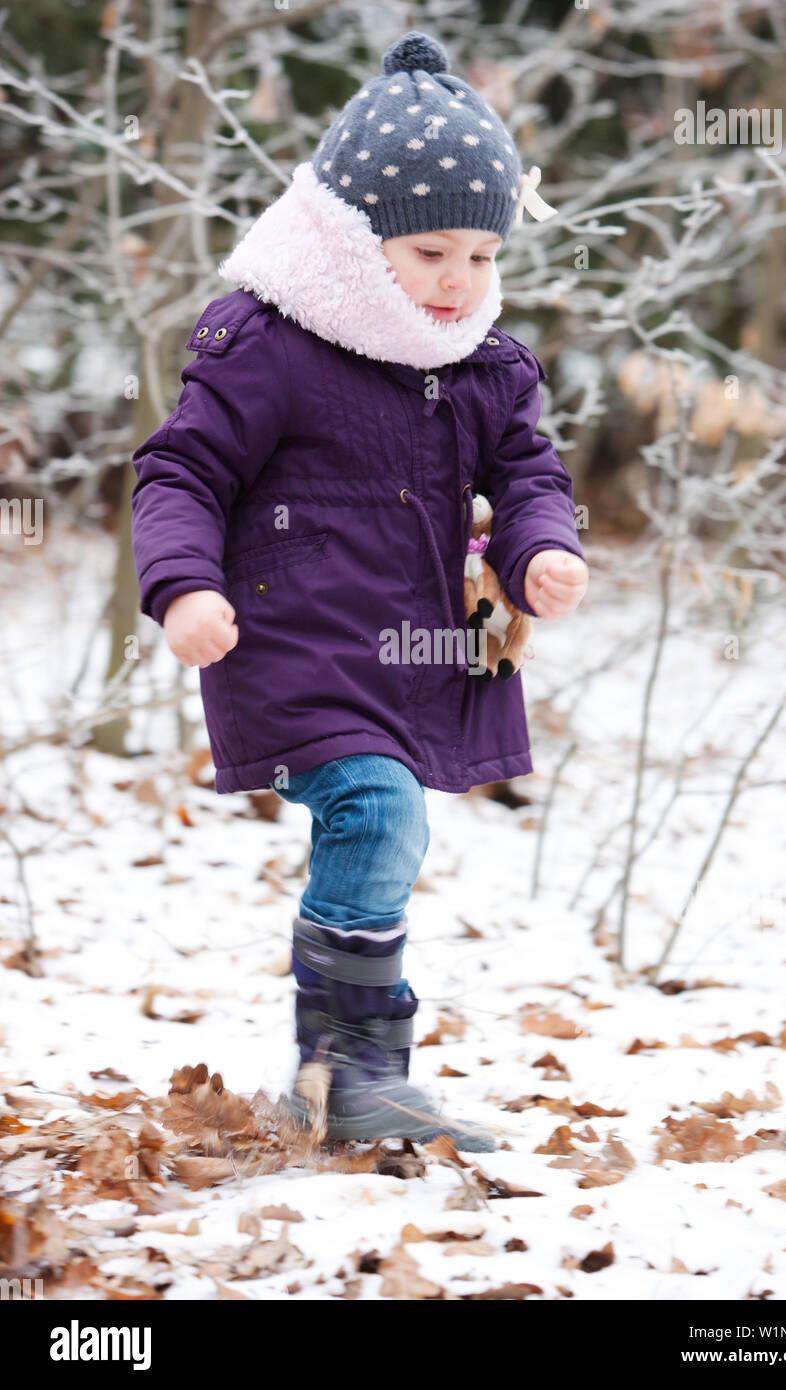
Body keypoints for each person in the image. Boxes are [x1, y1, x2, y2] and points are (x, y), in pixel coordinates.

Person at [130, 30, 589, 1152]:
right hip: (288, 649)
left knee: (390, 836)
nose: (456, 281)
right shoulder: (271, 347)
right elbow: (179, 469)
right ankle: (350, 1072)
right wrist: (182, 588)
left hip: (417, 658)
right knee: (377, 812)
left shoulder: (483, 368)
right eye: (429, 250)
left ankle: (346, 1078)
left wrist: (537, 547)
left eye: (481, 256)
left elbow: (526, 471)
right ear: (347, 242)